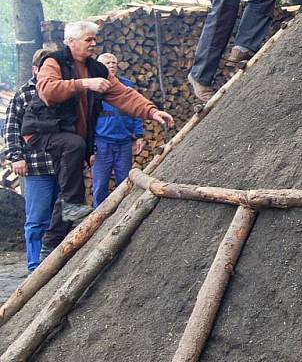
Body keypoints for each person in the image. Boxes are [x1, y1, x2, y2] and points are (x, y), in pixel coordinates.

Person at [21, 21, 175, 225]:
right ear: (71, 42)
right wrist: (84, 83)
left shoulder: (97, 69)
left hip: (70, 135)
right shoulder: (53, 62)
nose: (94, 43)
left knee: (69, 183)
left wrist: (151, 111)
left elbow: (123, 94)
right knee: (74, 148)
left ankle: (53, 241)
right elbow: (48, 92)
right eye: (88, 39)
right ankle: (72, 208)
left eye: (95, 39)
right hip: (41, 130)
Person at [2, 48, 59, 272]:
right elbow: (11, 128)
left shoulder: (61, 90)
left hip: (62, 165)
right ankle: (35, 266)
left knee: (62, 217)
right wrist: (16, 156)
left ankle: (58, 263)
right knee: (37, 219)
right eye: (46, 68)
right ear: (35, 69)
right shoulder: (24, 94)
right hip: (36, 167)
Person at [91, 53, 145, 207]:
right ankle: (97, 218)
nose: (112, 65)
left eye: (114, 62)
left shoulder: (127, 86)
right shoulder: (94, 88)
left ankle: (123, 214)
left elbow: (137, 110)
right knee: (100, 184)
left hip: (124, 143)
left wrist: (139, 135)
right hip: (102, 143)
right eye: (107, 63)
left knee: (125, 184)